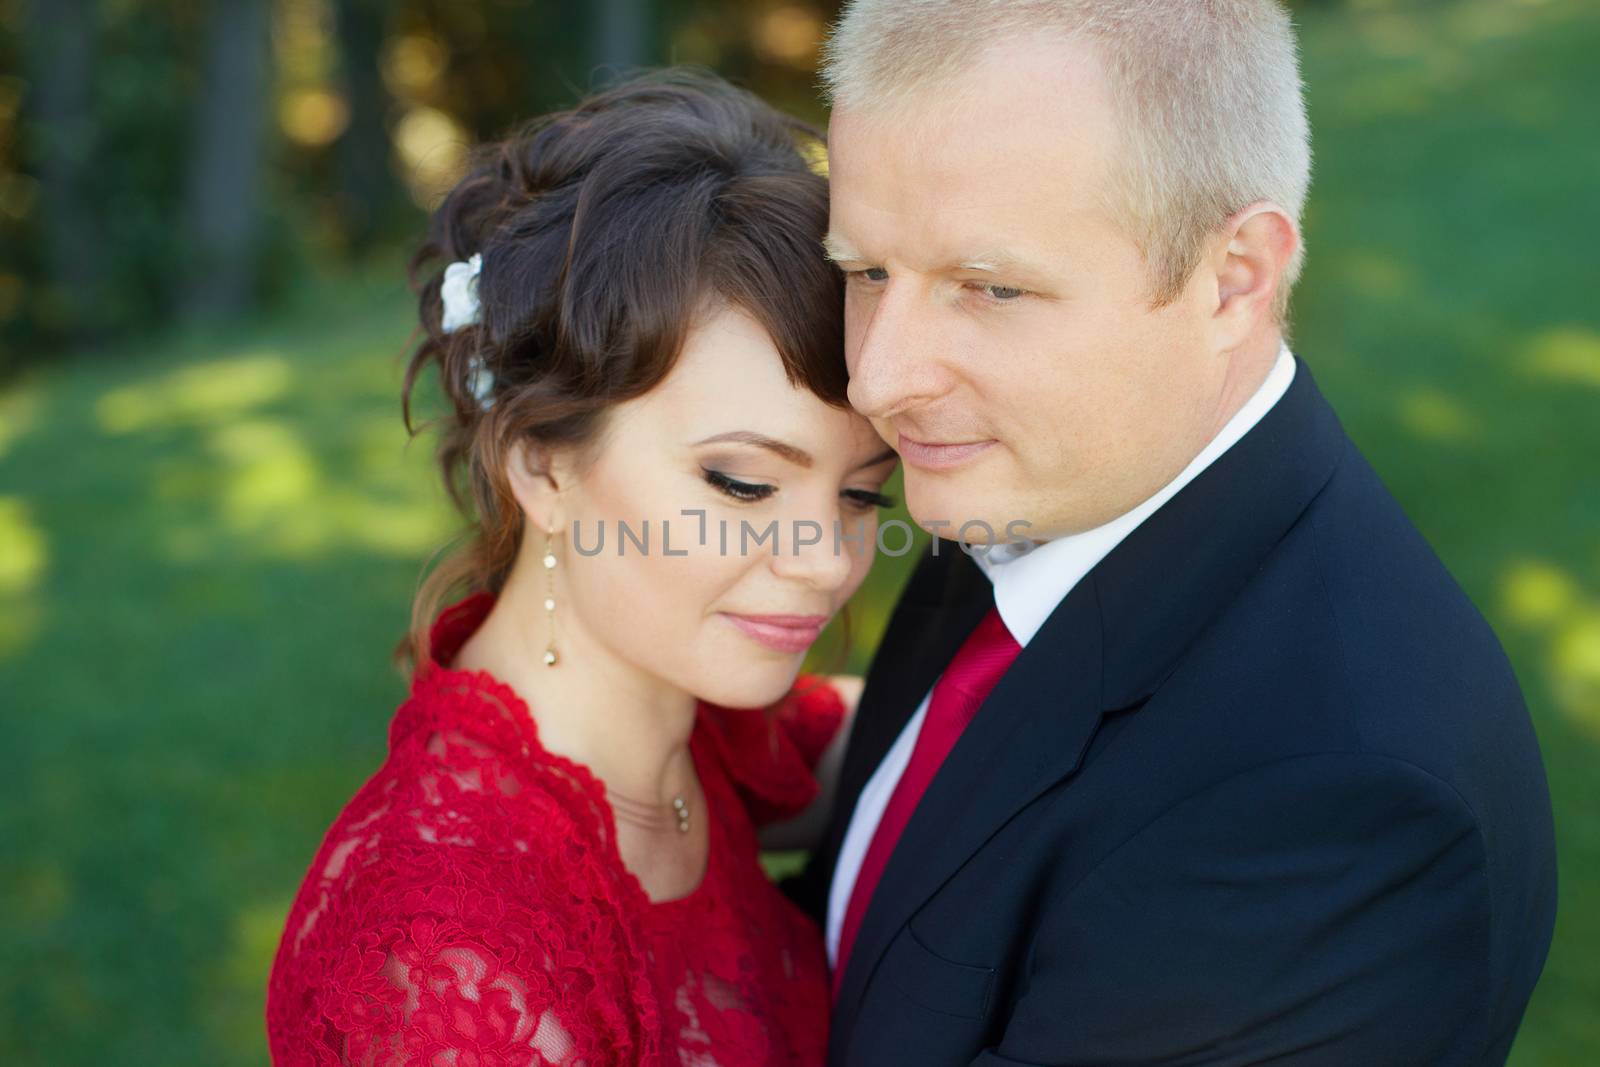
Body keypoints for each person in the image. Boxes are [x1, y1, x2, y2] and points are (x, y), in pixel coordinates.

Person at [784, 2, 1560, 1064]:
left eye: (990, 286)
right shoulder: (1051, 480)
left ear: (1234, 276)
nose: (879, 377)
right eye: (867, 271)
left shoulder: (1327, 810)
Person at [266, 71, 898, 1066]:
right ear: (543, 465)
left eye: (863, 493)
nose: (825, 560)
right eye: (741, 483)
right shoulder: (452, 959)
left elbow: (916, 735)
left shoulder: (703, 729)